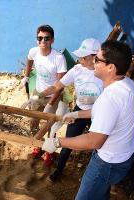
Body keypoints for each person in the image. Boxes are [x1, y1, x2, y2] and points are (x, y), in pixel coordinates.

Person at [42, 40, 134, 199]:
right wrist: (76, 114)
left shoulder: (109, 98)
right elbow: (103, 113)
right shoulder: (127, 83)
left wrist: (58, 142)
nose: (94, 62)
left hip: (107, 163)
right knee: (101, 194)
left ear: (111, 67)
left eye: (98, 59)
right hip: (123, 156)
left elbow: (94, 141)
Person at [36, 38, 103, 177]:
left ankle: (94, 173)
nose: (80, 59)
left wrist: (93, 99)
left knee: (98, 144)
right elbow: (57, 86)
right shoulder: (77, 70)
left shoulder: (103, 73)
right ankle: (59, 170)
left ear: (95, 57)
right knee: (68, 141)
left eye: (84, 57)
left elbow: (110, 97)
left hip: (98, 113)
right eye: (79, 56)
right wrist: (39, 95)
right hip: (79, 110)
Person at [20, 25, 67, 161]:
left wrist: (50, 104)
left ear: (52, 40)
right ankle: (37, 145)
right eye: (40, 38)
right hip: (37, 93)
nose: (43, 41)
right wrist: (26, 76)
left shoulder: (58, 58)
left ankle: (48, 150)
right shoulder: (34, 51)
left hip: (53, 96)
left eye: (46, 38)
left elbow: (60, 86)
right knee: (34, 121)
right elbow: (29, 59)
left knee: (50, 125)